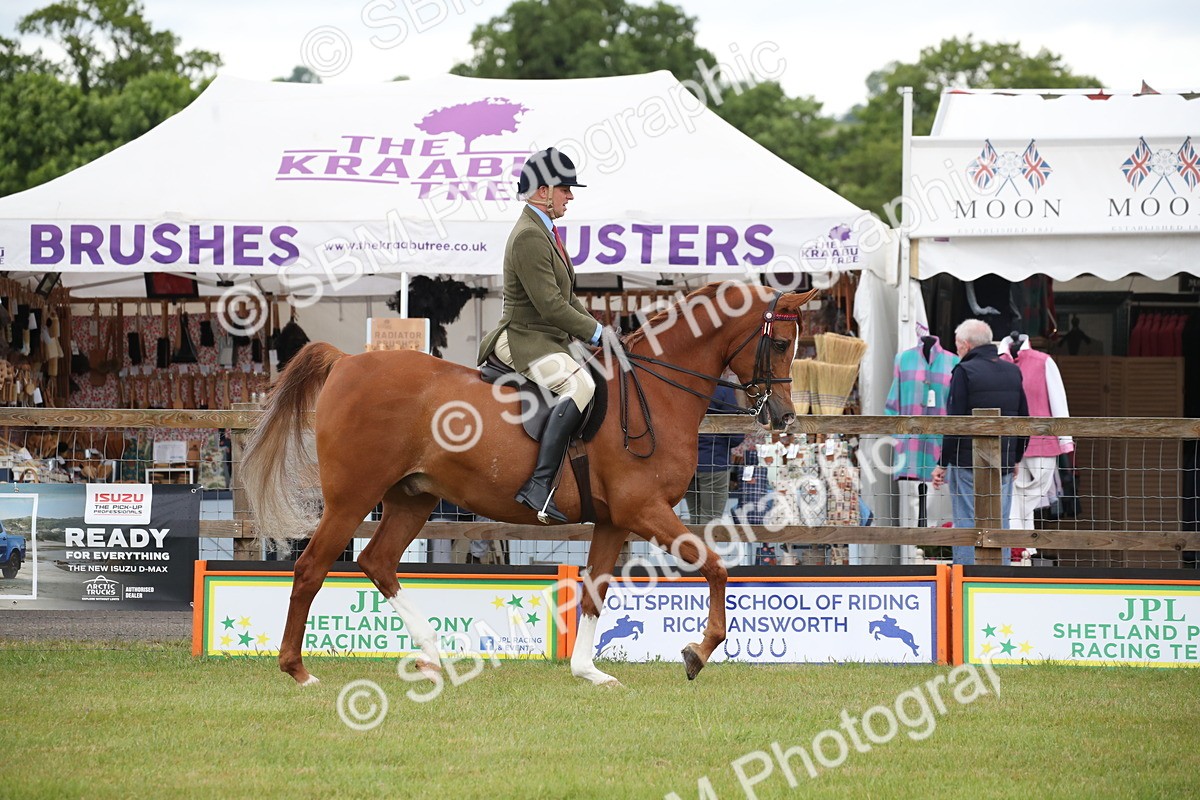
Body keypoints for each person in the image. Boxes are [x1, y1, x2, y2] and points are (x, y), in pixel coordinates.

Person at [477, 147, 603, 524]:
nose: (571, 195)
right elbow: (551, 307)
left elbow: (568, 300)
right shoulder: (529, 237)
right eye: (565, 188)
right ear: (543, 190)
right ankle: (540, 485)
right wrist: (595, 333)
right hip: (522, 337)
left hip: (546, 338)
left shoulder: (545, 232)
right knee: (580, 387)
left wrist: (604, 333)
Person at [930, 318, 1029, 564]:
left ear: (965, 344)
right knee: (1000, 523)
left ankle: (965, 579)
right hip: (1004, 460)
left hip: (967, 461)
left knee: (966, 522)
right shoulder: (1012, 371)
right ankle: (999, 581)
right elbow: (1024, 419)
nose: (957, 351)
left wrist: (943, 463)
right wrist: (1016, 457)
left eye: (957, 345)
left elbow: (956, 422)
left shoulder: (964, 371)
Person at [686, 383, 744, 524]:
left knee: (695, 518)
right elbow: (735, 435)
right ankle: (700, 547)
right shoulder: (722, 390)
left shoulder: (683, 384)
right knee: (710, 521)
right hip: (714, 463)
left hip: (687, 462)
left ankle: (693, 546)